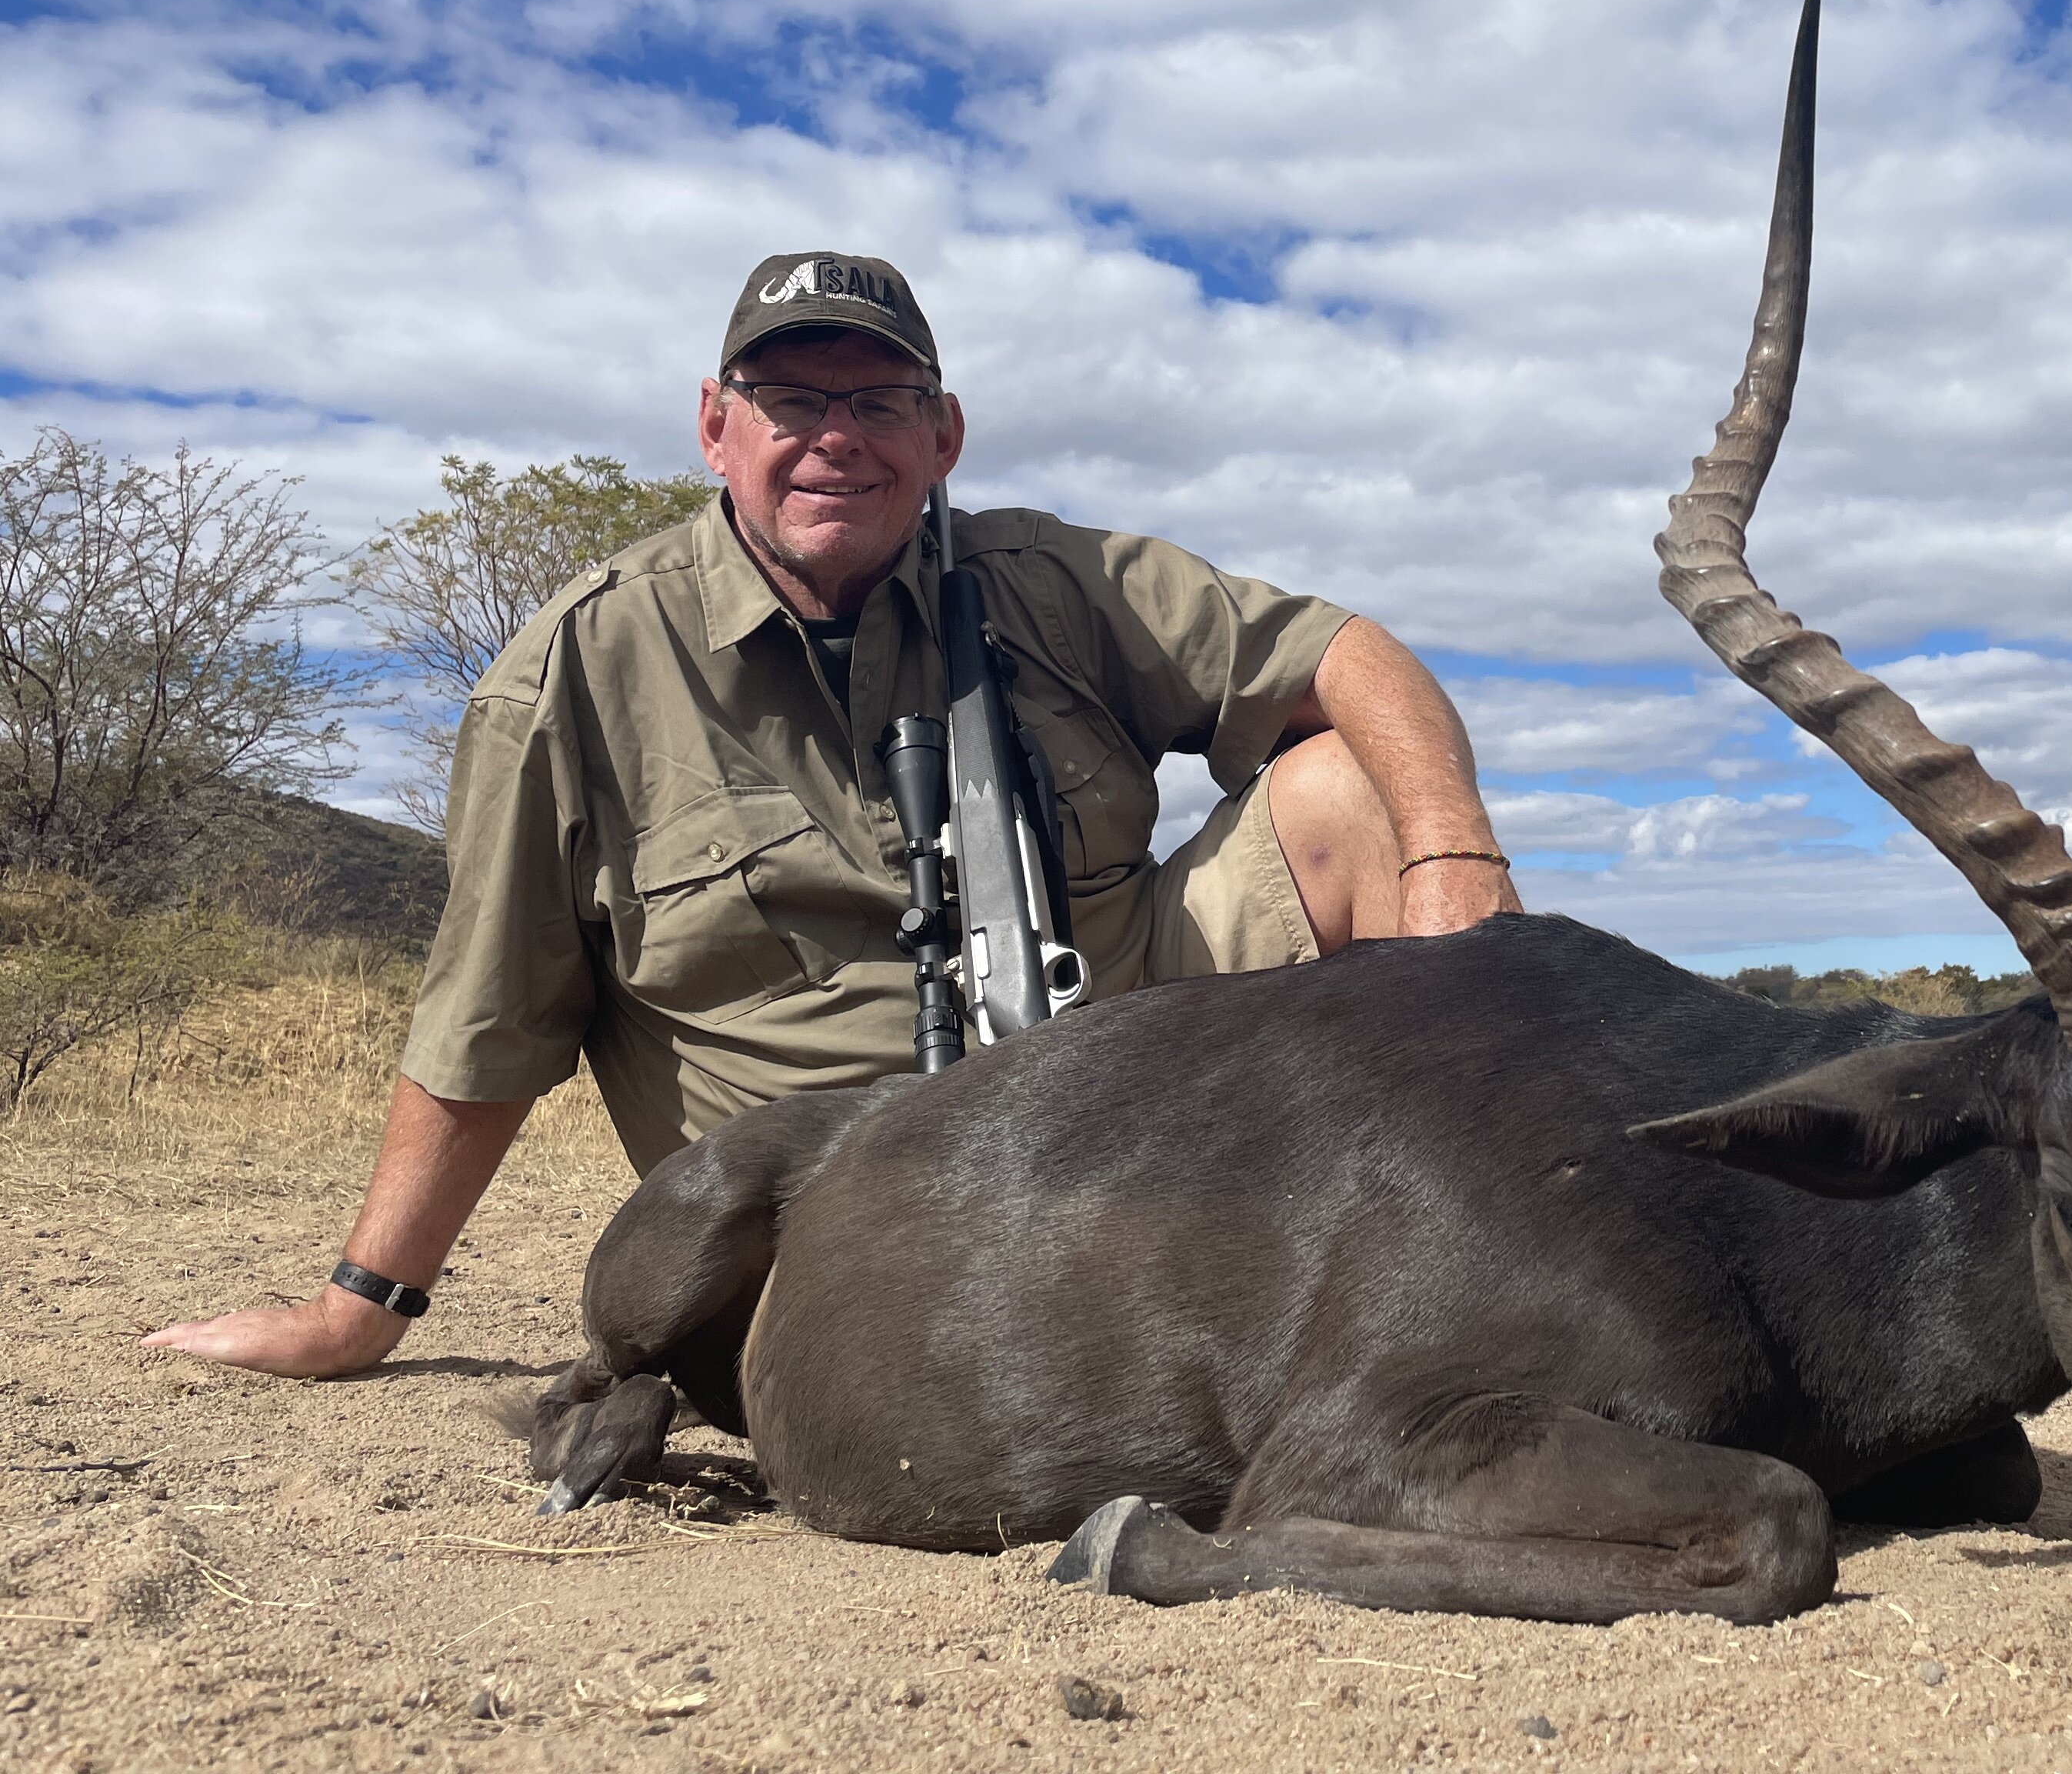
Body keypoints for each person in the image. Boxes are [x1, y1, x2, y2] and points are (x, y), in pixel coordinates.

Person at [147, 251, 1520, 1379]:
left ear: (943, 434)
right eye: (791, 396)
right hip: (833, 1219)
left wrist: (1455, 860)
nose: (835, 437)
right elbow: (487, 1017)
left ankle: (1492, 1285)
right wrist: (361, 1303)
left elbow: (1347, 650)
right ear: (713, 424)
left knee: (1352, 785)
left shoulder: (1054, 578)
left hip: (1136, 1107)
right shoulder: (573, 669)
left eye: (880, 400)